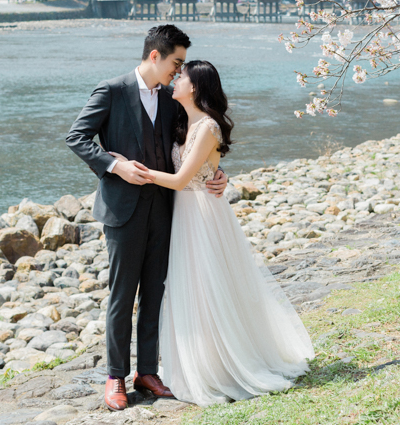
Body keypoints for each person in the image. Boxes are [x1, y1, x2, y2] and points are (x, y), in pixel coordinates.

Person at [110, 60, 314, 406]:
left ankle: (220, 364)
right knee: (190, 288)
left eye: (182, 77)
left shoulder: (207, 126)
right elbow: (200, 166)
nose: (175, 80)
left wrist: (130, 169)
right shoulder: (181, 120)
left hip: (203, 215)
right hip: (183, 215)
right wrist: (217, 172)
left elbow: (179, 179)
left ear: (196, 87)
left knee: (210, 287)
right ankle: (199, 361)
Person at [66, 25, 229, 411]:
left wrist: (217, 173)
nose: (179, 70)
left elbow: (195, 142)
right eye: (177, 62)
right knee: (122, 295)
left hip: (167, 208)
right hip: (123, 209)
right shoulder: (111, 90)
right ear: (155, 56)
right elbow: (77, 137)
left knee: (155, 292)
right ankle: (115, 377)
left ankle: (146, 372)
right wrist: (113, 166)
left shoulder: (174, 98)